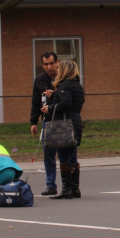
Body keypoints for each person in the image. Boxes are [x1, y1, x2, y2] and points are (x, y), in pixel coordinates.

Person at [31, 51, 73, 197]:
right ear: (42, 64)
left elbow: (67, 99)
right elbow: (35, 101)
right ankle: (51, 185)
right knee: (48, 154)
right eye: (46, 64)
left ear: (57, 62)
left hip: (62, 120)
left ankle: (69, 186)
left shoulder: (64, 78)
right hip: (46, 122)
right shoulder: (39, 80)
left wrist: (54, 94)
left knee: (65, 154)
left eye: (51, 63)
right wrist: (33, 121)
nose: (49, 67)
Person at [41, 60, 85, 199]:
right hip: (75, 122)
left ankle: (66, 189)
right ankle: (75, 188)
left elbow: (66, 103)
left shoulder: (64, 85)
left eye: (59, 68)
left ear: (64, 70)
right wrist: (54, 96)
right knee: (72, 155)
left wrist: (50, 107)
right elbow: (72, 102)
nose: (57, 70)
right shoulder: (77, 85)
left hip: (65, 124)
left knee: (64, 155)